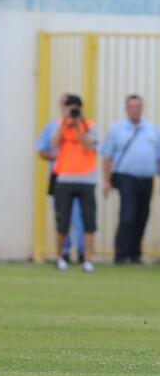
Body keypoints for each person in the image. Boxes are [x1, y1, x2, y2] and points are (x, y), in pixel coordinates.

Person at [102, 94, 160, 264]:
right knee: (128, 215)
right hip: (126, 178)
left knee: (143, 215)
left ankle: (135, 253)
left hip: (147, 178)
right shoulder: (116, 130)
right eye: (132, 106)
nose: (135, 110)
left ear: (142, 108)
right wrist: (106, 180)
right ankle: (121, 254)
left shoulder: (152, 130)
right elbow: (107, 157)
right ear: (127, 109)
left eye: (138, 106)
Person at [46, 94, 99, 272]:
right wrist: (65, 122)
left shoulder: (90, 126)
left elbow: (87, 146)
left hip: (86, 179)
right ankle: (60, 257)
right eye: (70, 107)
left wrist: (77, 126)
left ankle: (88, 259)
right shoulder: (61, 125)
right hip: (64, 178)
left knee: (88, 220)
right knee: (63, 220)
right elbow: (53, 143)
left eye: (76, 107)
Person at [37, 94, 85, 264]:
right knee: (62, 216)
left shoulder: (86, 126)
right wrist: (59, 157)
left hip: (81, 178)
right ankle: (63, 252)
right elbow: (44, 149)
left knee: (80, 217)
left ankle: (82, 252)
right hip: (59, 176)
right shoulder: (54, 126)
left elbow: (89, 148)